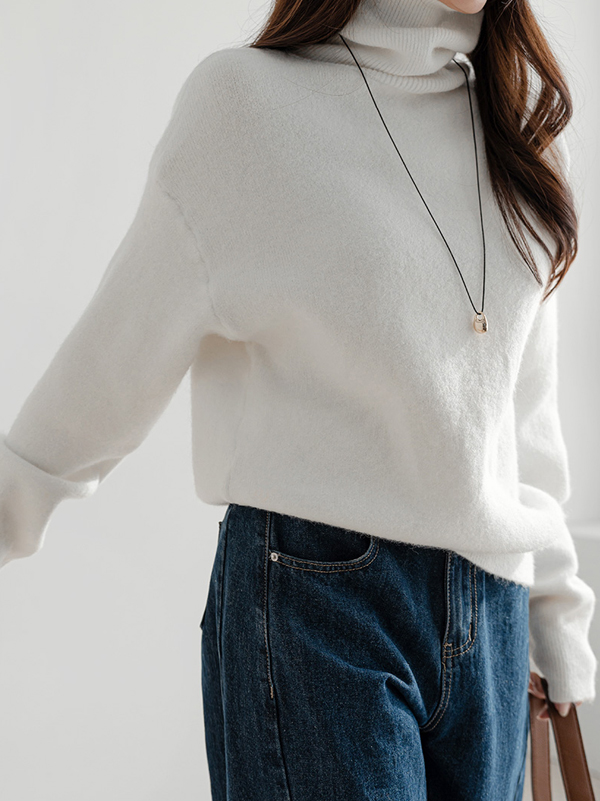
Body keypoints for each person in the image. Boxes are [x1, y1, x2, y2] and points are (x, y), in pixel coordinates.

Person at [0, 0, 596, 797]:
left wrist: (555, 610)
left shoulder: (518, 129)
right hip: (321, 603)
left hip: (494, 619)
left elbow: (521, 416)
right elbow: (111, 363)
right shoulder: (247, 107)